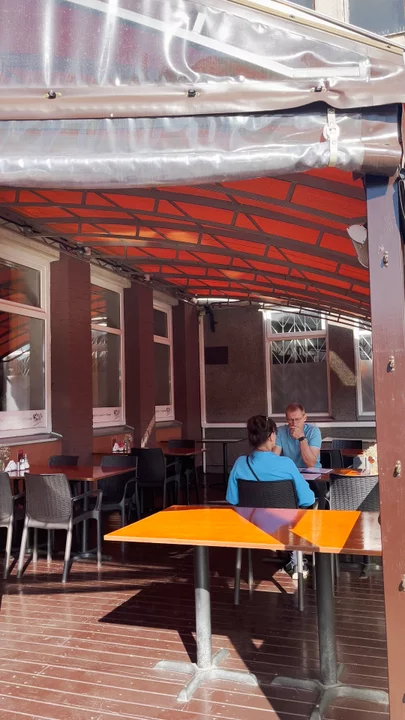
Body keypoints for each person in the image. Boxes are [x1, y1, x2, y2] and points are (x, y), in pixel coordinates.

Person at [226, 415, 315, 579]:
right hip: (286, 528)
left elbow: (232, 499)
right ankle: (296, 558)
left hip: (251, 527)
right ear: (272, 436)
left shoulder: (240, 463)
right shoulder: (286, 464)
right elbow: (307, 499)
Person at [274, 403, 322, 469]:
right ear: (287, 419)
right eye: (290, 420)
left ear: (305, 418)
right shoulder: (280, 431)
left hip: (311, 472)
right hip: (290, 471)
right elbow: (274, 458)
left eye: (297, 419)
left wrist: (301, 438)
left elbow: (311, 463)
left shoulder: (314, 431)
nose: (294, 423)